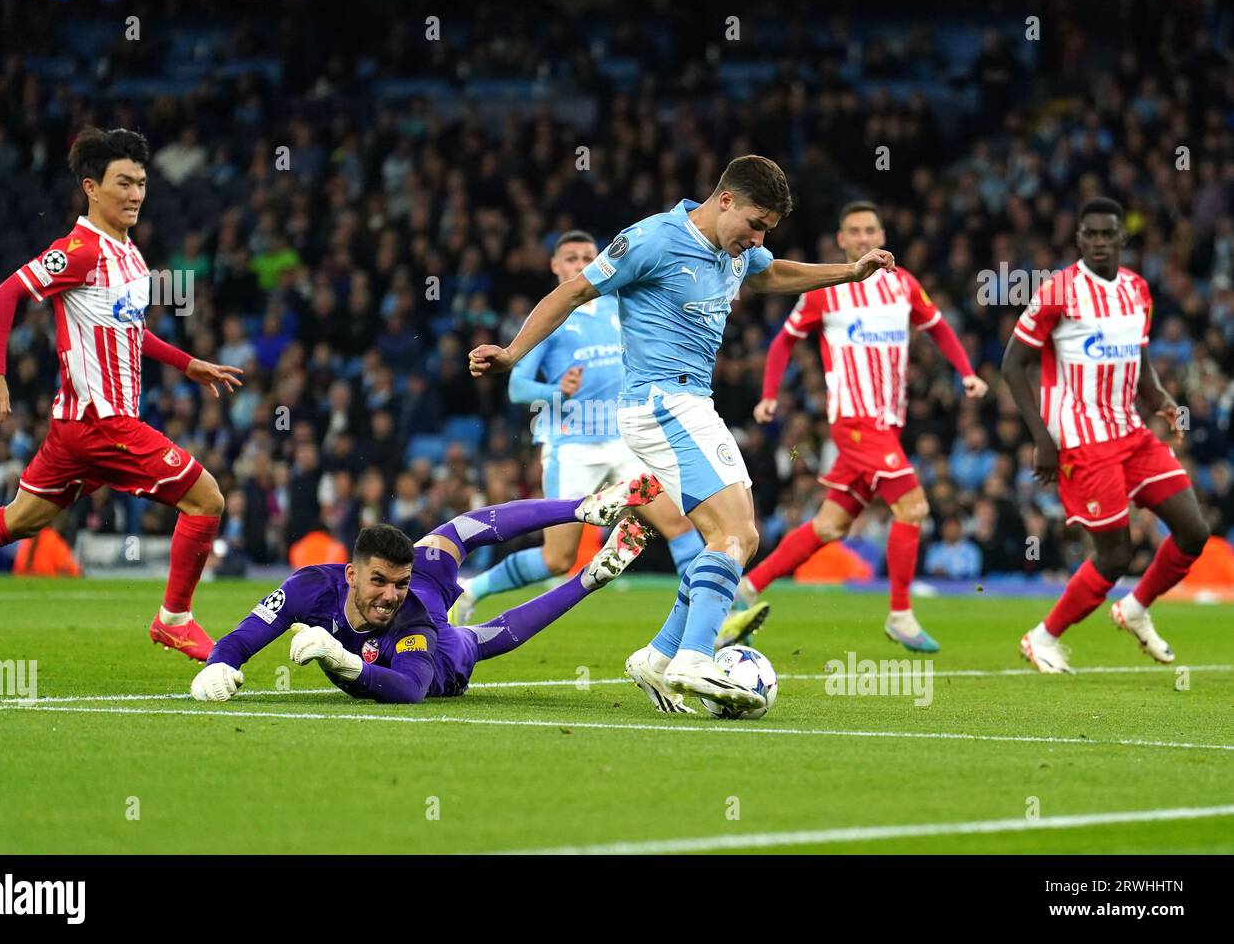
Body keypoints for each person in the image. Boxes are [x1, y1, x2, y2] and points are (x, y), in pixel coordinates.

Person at [470, 155, 896, 713]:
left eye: (767, 229)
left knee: (738, 534)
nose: (758, 238)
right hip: (658, 403)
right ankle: (693, 657)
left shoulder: (739, 251)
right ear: (725, 200)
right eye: (756, 224)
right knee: (733, 536)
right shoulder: (651, 240)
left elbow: (772, 273)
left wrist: (848, 272)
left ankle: (661, 655)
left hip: (694, 404)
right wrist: (511, 354)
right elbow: (573, 292)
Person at [0, 127, 243, 660]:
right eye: (123, 183)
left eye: (142, 183)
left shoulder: (131, 256)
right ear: (91, 188)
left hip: (75, 429)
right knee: (207, 498)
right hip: (104, 424)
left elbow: (130, 330)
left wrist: (187, 363)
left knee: (21, 519)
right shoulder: (79, 250)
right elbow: (6, 292)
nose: (135, 194)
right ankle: (174, 619)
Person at [719, 201, 987, 653]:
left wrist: (966, 372)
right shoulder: (828, 289)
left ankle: (744, 590)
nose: (864, 238)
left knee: (828, 526)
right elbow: (785, 340)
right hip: (855, 422)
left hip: (887, 424)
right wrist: (768, 394)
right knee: (914, 509)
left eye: (871, 230)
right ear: (842, 241)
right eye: (854, 232)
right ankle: (900, 614)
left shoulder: (904, 285)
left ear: (881, 235)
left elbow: (938, 327)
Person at [191, 476, 660, 704]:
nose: (389, 594)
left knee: (475, 638)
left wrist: (342, 660)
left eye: (398, 581)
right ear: (351, 575)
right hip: (408, 607)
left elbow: (412, 690)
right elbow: (244, 636)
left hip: (435, 654)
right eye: (378, 581)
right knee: (454, 554)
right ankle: (589, 542)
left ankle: (586, 538)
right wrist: (218, 665)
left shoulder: (411, 616)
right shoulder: (309, 587)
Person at [450, 230, 703, 626]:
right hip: (572, 447)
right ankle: (473, 590)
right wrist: (558, 391)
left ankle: (713, 619)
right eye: (571, 258)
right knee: (557, 559)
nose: (582, 264)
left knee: (679, 524)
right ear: (554, 265)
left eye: (589, 256)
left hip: (625, 442)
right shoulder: (548, 317)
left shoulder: (617, 307)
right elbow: (518, 387)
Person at [1001, 196, 1210, 673]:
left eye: (1106, 233)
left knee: (1194, 531)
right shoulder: (1058, 291)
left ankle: (1135, 608)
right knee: (1116, 554)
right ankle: (1043, 637)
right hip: (1081, 439)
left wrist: (1162, 401)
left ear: (1121, 237)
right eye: (1089, 234)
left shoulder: (1137, 289)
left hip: (1131, 432)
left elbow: (1141, 364)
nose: (1098, 242)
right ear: (1079, 238)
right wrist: (1043, 438)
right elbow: (1013, 365)